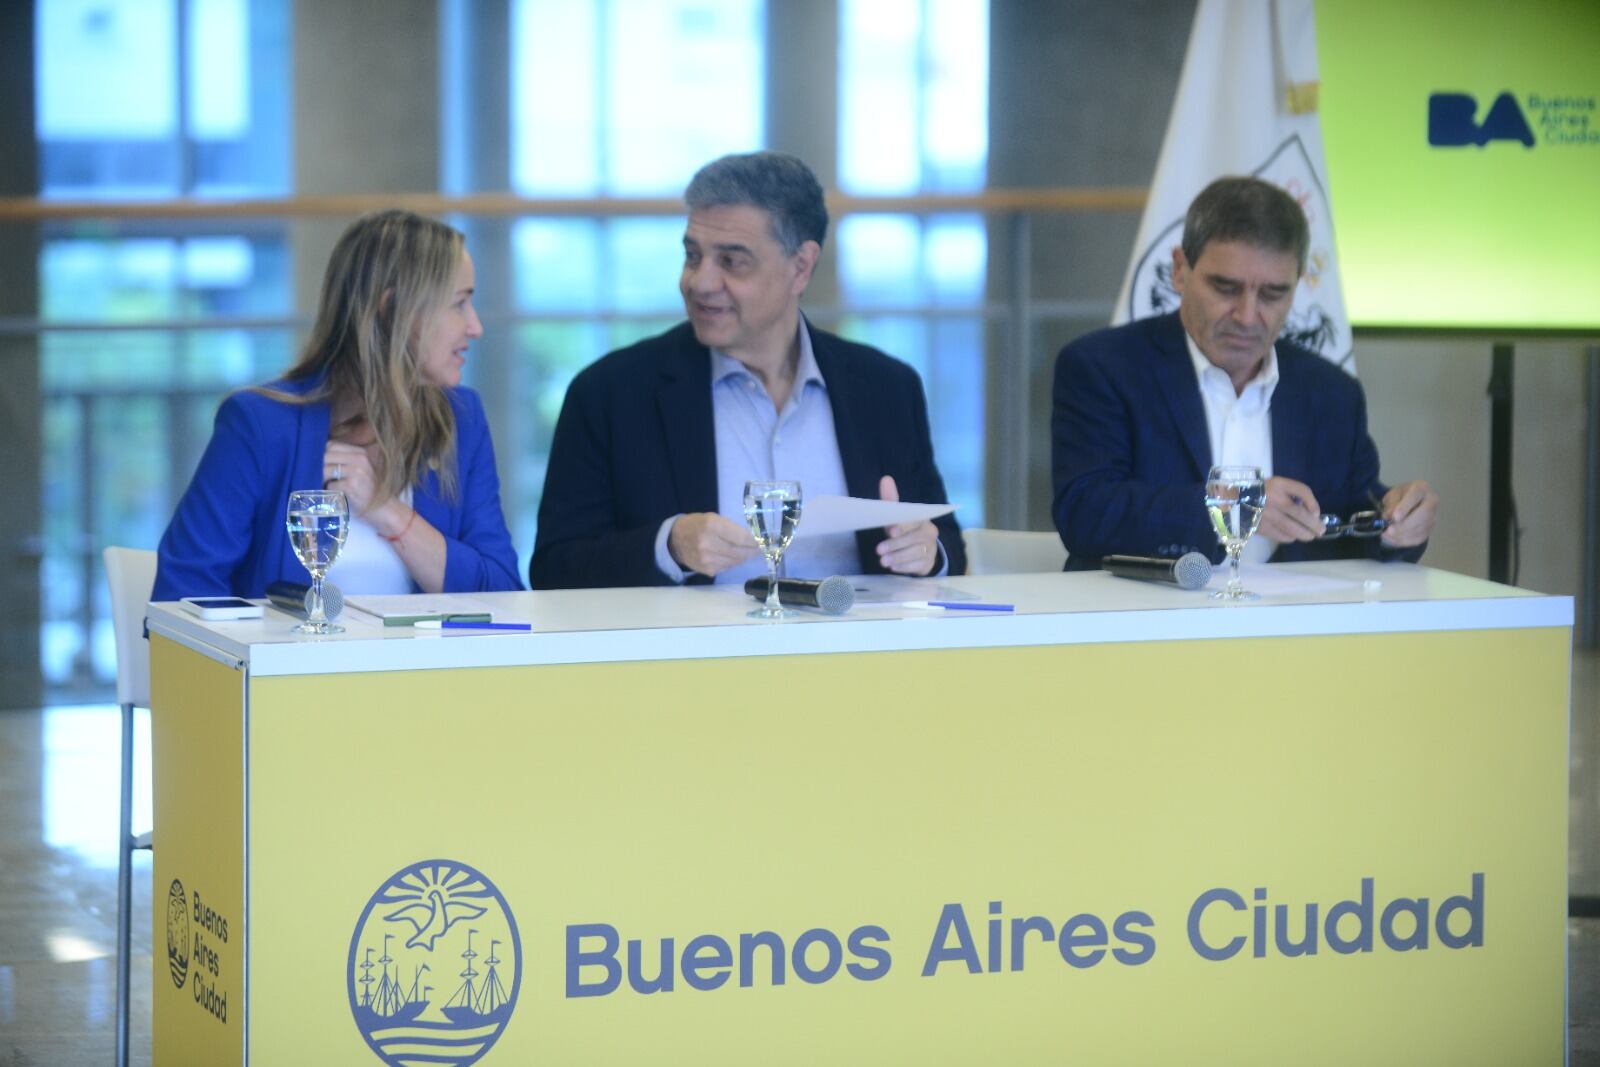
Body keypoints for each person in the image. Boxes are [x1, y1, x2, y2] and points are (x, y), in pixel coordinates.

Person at [529, 151, 964, 589]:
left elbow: (946, 544)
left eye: (731, 261)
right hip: (693, 655)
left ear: (801, 267)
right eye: (693, 255)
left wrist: (927, 553)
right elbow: (554, 569)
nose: (699, 282)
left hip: (858, 652)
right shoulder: (611, 394)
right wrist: (669, 547)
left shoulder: (885, 389)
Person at [1052, 176, 1438, 570]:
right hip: (1145, 621)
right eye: (1226, 288)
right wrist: (1233, 506)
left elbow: (1356, 517)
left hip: (1295, 625)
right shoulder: (1103, 368)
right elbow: (1086, 513)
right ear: (1180, 270)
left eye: (1273, 294)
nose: (1247, 316)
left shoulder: (1331, 392)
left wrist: (1400, 522)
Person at [153, 210, 522, 600]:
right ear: (392, 309)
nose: (475, 326)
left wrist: (386, 509)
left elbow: (502, 591)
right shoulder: (259, 425)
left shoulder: (461, 419)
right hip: (286, 662)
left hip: (423, 664)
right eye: (459, 304)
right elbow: (181, 596)